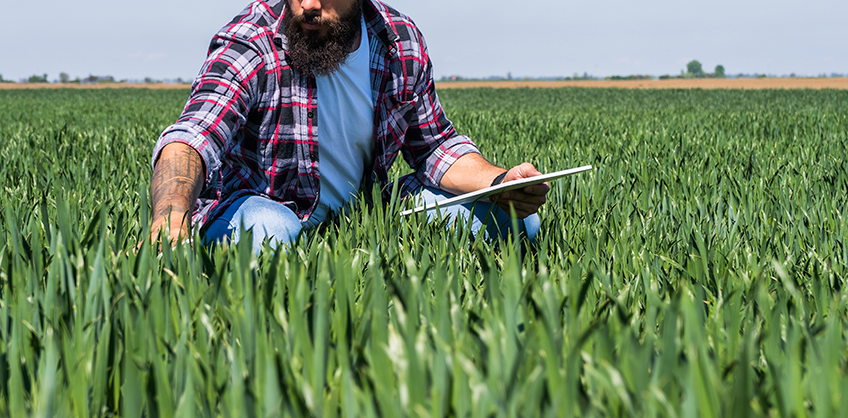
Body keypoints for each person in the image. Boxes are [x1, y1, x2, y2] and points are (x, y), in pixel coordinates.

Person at [149, 0, 550, 250]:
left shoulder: (400, 42)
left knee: (518, 221)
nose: (307, 4)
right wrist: (170, 215)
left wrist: (500, 183)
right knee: (274, 231)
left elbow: (434, 146)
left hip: (363, 216)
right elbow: (194, 135)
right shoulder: (253, 41)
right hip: (261, 208)